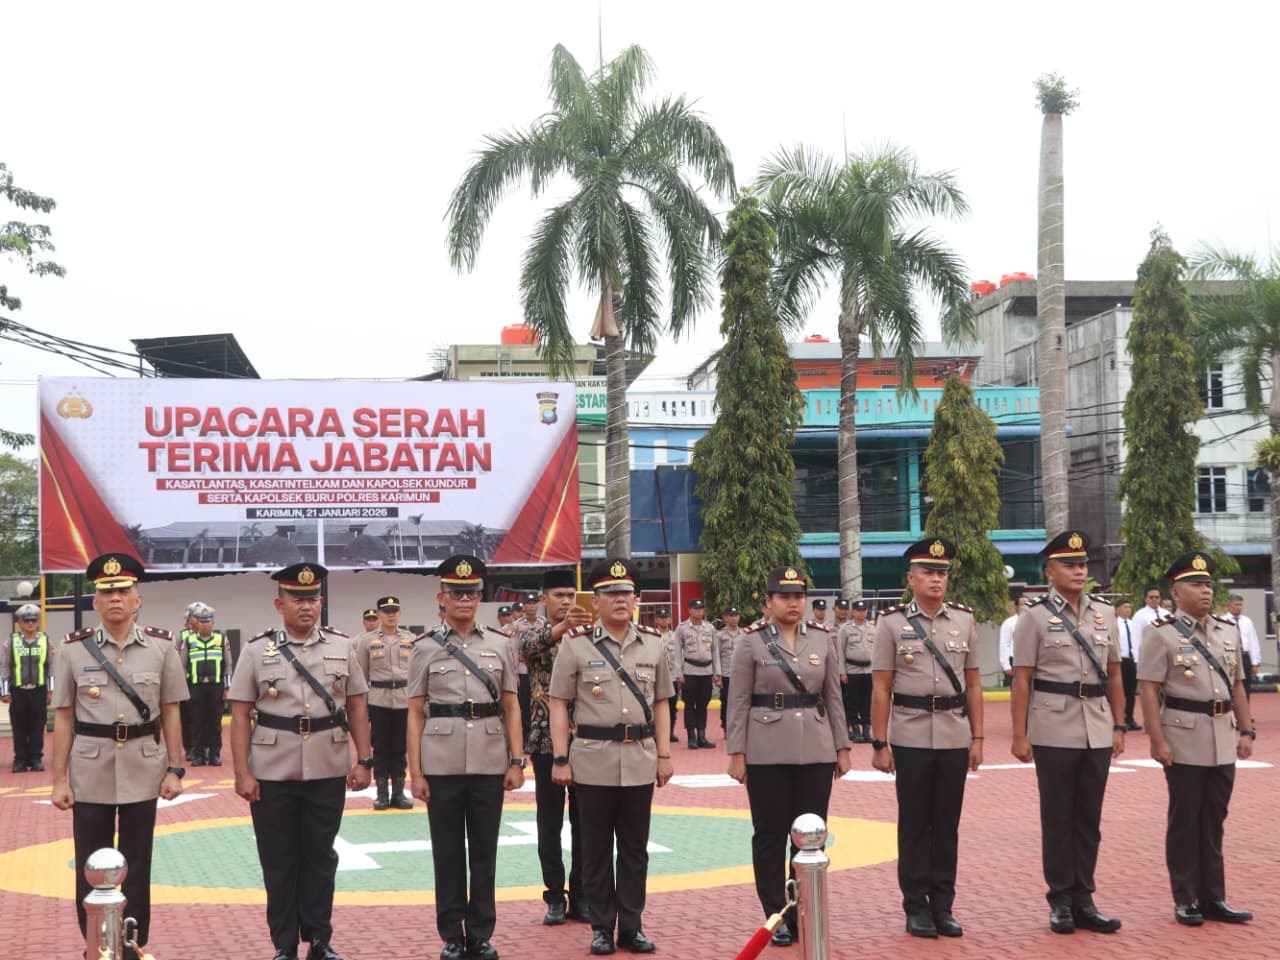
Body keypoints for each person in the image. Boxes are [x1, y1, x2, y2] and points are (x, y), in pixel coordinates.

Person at [229, 562, 373, 960]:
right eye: (297, 599)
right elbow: (241, 713)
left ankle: (320, 939)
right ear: (280, 604)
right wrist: (242, 772)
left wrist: (365, 760)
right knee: (278, 860)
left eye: (312, 599)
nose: (306, 606)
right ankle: (284, 944)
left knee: (321, 857)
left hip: (328, 766)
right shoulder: (258, 649)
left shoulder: (342, 646)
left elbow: (358, 706)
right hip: (273, 770)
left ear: (321, 602)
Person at [50, 554, 187, 960]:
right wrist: (60, 779)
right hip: (90, 768)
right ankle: (94, 942)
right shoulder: (73, 650)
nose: (115, 598)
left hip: (145, 766)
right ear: (95, 601)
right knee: (90, 860)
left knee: (137, 862)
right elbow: (63, 716)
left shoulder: (162, 647)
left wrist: (175, 768)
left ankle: (131, 943)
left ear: (137, 599)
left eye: (123, 591)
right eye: (107, 592)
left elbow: (172, 709)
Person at [549, 558, 674, 955]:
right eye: (610, 594)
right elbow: (558, 703)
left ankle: (631, 926)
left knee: (635, 850)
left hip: (639, 757)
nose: (620, 600)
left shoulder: (654, 642)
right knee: (596, 849)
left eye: (626, 593)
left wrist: (665, 754)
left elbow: (662, 702)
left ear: (636, 598)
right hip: (592, 759)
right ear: (597, 602)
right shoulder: (576, 643)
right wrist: (559, 757)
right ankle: (602, 927)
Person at [728, 566, 850, 948]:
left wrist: (842, 747)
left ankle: (804, 912)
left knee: (811, 837)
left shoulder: (821, 638)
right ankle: (776, 913)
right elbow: (738, 701)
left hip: (815, 749)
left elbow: (833, 698)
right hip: (766, 751)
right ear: (768, 602)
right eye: (784, 597)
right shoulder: (750, 642)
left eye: (798, 596)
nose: (793, 603)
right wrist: (737, 752)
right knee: (769, 835)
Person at [408, 555, 524, 960]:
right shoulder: (423, 647)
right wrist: (415, 772)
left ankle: (480, 933)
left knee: (485, 853)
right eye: (456, 593)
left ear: (480, 597)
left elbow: (511, 705)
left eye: (471, 593)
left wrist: (516, 760)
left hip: (490, 761)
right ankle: (451, 936)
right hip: (440, 763)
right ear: (442, 597)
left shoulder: (501, 643)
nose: (464, 600)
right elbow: (416, 712)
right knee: (447, 853)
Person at [1011, 531, 1125, 935]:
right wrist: (1020, 734)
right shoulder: (1034, 617)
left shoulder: (1104, 613)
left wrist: (1118, 723)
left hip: (1096, 724)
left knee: (1089, 819)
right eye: (1070, 565)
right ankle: (1060, 900)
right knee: (1058, 818)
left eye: (1083, 565)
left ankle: (1085, 898)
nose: (1079, 571)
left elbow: (1114, 672)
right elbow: (1022, 679)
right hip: (1053, 725)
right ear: (1050, 571)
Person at [870, 540, 983, 938]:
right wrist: (879, 743)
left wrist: (978, 737)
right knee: (915, 825)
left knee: (947, 825)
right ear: (911, 579)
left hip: (954, 733)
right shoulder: (891, 623)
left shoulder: (964, 621)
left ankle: (944, 906)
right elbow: (881, 687)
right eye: (929, 572)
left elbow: (973, 683)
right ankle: (916, 907)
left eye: (943, 573)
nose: (937, 579)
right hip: (911, 734)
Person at [1138, 552, 1256, 926]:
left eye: (1208, 585)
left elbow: (1237, 685)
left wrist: (1247, 728)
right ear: (1176, 591)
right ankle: (1185, 897)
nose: (1205, 591)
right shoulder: (1162, 632)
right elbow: (1149, 689)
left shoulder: (1227, 629)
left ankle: (1214, 898)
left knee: (1214, 820)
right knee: (1186, 819)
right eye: (1196, 584)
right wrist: (1157, 740)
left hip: (1222, 736)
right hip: (1184, 735)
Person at [517, 568, 592, 925]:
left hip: (588, 739)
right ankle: (554, 895)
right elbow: (525, 648)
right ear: (543, 598)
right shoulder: (530, 630)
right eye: (559, 595)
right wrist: (562, 629)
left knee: (586, 823)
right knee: (549, 822)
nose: (566, 601)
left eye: (571, 595)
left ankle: (581, 895)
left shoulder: (591, 631)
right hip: (546, 740)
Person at [354, 595, 416, 810]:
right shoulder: (367, 641)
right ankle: (382, 793)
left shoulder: (411, 639)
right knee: (380, 748)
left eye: (394, 611)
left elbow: (416, 675)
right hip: (378, 700)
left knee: (400, 748)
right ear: (379, 614)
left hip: (403, 700)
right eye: (386, 611)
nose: (391, 615)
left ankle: (399, 793)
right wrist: (361, 708)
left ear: (399, 613)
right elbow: (360, 676)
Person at [3, 602, 54, 772]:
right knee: (19, 726)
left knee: (37, 726)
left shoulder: (46, 641)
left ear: (38, 621)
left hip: (39, 690)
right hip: (18, 691)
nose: (30, 623)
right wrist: (4, 691)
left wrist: (50, 690)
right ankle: (20, 759)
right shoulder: (11, 642)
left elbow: (51, 667)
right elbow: (4, 666)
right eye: (26, 621)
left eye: (33, 620)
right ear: (20, 622)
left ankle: (36, 758)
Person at [180, 603, 232, 767]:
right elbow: (182, 666)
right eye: (202, 622)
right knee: (196, 722)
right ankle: (198, 755)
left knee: (214, 722)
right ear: (197, 623)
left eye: (208, 621)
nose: (205, 625)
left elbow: (228, 665)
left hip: (215, 687)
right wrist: (183, 689)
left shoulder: (221, 639)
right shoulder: (188, 640)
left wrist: (227, 688)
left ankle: (215, 754)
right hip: (195, 687)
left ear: (213, 623)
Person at [675, 599, 717, 748]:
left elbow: (715, 652)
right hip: (690, 671)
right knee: (689, 704)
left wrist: (716, 672)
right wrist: (679, 673)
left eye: (701, 608)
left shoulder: (710, 628)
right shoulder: (682, 629)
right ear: (690, 610)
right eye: (696, 608)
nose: (699, 611)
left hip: (706, 671)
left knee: (703, 704)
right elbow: (677, 653)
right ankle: (691, 737)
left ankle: (702, 736)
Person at [838, 599, 875, 742]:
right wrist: (842, 672)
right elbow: (840, 651)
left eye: (864, 610)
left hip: (869, 671)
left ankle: (866, 731)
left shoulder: (873, 628)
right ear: (853, 612)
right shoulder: (846, 629)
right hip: (852, 670)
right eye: (858, 610)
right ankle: (855, 730)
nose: (861, 613)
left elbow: (877, 652)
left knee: (867, 702)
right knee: (852, 701)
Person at [510, 592, 541, 744]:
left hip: (541, 671)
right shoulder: (517, 625)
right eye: (528, 603)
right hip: (523, 671)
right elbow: (514, 649)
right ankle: (526, 738)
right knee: (525, 705)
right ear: (524, 606)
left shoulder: (544, 623)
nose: (531, 606)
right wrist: (514, 673)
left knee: (540, 703)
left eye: (534, 603)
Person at [1224, 594, 1260, 700]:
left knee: (1246, 686)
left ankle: (1245, 713)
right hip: (1230, 656)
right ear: (1229, 605)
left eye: (1241, 605)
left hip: (1245, 657)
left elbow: (1253, 642)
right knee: (1230, 685)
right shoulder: (1222, 620)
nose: (1239, 607)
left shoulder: (1247, 621)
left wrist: (1255, 663)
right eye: (1236, 604)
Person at [714, 606, 743, 734]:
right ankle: (726, 726)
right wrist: (717, 675)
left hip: (741, 675)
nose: (734, 618)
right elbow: (716, 656)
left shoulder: (744, 634)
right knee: (726, 701)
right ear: (725, 618)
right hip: (726, 674)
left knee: (741, 702)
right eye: (731, 615)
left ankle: (739, 727)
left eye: (736, 615)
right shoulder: (719, 635)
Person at [178, 601, 200, 761]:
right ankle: (190, 748)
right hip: (188, 683)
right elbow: (177, 662)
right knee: (188, 719)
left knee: (205, 718)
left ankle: (204, 748)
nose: (199, 619)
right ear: (188, 618)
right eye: (196, 616)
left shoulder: (214, 636)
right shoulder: (181, 636)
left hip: (206, 684)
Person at [655, 607, 681, 743]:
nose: (664, 620)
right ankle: (655, 732)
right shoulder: (652, 636)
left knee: (672, 706)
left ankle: (670, 732)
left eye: (666, 617)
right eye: (661, 618)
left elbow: (679, 658)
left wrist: (680, 675)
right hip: (655, 677)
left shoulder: (675, 636)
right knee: (655, 705)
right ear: (656, 620)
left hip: (671, 677)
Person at [1115, 599, 1141, 730]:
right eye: (1125, 607)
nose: (1128, 610)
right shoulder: (1114, 624)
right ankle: (1119, 719)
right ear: (1118, 609)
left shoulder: (1133, 624)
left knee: (1131, 693)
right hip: (1121, 661)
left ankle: (1130, 718)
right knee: (1120, 692)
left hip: (1133, 661)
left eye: (1129, 607)